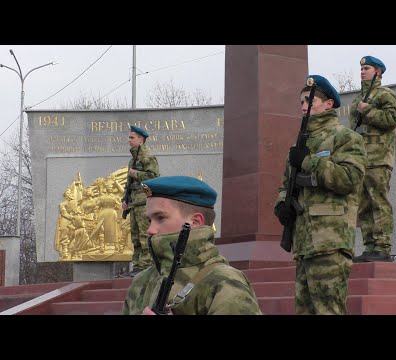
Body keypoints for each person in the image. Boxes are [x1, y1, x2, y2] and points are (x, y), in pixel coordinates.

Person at [273, 75, 367, 315]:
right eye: (301, 101)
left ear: (329, 104)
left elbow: (349, 179)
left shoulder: (346, 138)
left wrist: (308, 161)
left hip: (330, 241)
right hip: (304, 243)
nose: (304, 106)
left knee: (329, 310)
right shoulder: (298, 145)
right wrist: (283, 205)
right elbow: (285, 186)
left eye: (310, 100)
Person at [122, 175, 262, 315]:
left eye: (160, 218)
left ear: (194, 222)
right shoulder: (142, 281)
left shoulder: (224, 282)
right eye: (149, 220)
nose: (150, 230)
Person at [348, 56, 396, 263]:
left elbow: (392, 119)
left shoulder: (386, 95)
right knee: (364, 205)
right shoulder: (356, 99)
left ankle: (382, 246)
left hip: (378, 158)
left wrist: (367, 110)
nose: (362, 71)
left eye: (367, 68)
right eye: (361, 68)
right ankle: (370, 246)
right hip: (360, 159)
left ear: (378, 72)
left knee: (379, 202)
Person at [120, 125, 160, 277]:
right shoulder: (132, 160)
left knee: (145, 235)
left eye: (132, 137)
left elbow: (154, 177)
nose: (129, 140)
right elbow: (129, 184)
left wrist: (136, 173)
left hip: (144, 203)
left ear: (141, 140)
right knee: (135, 237)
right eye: (129, 137)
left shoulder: (147, 157)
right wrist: (125, 199)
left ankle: (146, 266)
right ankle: (137, 266)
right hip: (133, 204)